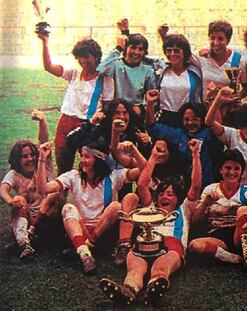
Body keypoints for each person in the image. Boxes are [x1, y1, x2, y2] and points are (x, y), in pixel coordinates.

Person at [99, 139, 201, 306]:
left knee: (162, 267)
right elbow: (141, 185)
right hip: (144, 242)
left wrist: (195, 154)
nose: (165, 197)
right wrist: (153, 157)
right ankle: (128, 290)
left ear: (178, 198)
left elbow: (196, 186)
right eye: (162, 193)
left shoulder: (184, 209)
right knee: (135, 269)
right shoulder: (151, 207)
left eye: (170, 194)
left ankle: (155, 287)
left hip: (171, 243)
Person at [36, 140, 143, 275]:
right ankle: (85, 255)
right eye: (82, 156)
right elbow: (42, 189)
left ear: (99, 160)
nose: (82, 161)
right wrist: (42, 159)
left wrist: (134, 151)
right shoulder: (73, 176)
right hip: (80, 230)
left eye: (87, 157)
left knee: (116, 206)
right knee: (68, 208)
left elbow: (144, 170)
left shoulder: (114, 176)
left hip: (104, 231)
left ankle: (86, 245)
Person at [37, 31, 114, 176]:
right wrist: (45, 42)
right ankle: (60, 197)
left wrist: (100, 116)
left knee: (90, 168)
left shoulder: (105, 79)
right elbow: (49, 67)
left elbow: (107, 108)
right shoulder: (74, 73)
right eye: (80, 56)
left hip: (88, 125)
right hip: (66, 122)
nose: (83, 60)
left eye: (87, 56)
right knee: (63, 167)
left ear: (96, 57)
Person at [0, 110, 63, 260]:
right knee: (20, 201)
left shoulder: (43, 165)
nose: (30, 159)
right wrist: (11, 201)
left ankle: (28, 238)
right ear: (17, 160)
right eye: (25, 156)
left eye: (32, 155)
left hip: (47, 216)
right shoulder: (15, 174)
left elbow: (43, 141)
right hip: (26, 218)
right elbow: (3, 189)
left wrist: (42, 121)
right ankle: (25, 244)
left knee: (55, 194)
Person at [189, 149, 247, 272]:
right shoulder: (210, 189)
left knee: (244, 208)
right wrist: (205, 204)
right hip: (217, 236)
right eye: (228, 168)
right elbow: (195, 222)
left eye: (236, 168)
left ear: (241, 171)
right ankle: (233, 259)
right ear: (221, 170)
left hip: (239, 234)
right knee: (195, 245)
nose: (232, 172)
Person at [145, 89, 223, 189]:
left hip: (208, 186)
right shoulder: (179, 134)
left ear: (202, 119)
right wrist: (150, 104)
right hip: (184, 187)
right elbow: (152, 127)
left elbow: (218, 126)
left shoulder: (209, 133)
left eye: (195, 119)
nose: (190, 123)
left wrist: (214, 100)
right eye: (186, 119)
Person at [98, 18, 157, 117]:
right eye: (133, 48)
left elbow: (152, 96)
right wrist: (118, 48)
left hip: (135, 113)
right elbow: (101, 69)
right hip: (116, 112)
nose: (136, 52)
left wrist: (142, 108)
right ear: (126, 48)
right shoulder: (116, 65)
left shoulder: (148, 71)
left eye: (140, 49)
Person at [156, 33, 202, 128]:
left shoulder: (194, 72)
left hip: (187, 119)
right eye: (169, 50)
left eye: (176, 51)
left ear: (184, 52)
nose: (172, 54)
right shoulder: (161, 72)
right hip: (164, 118)